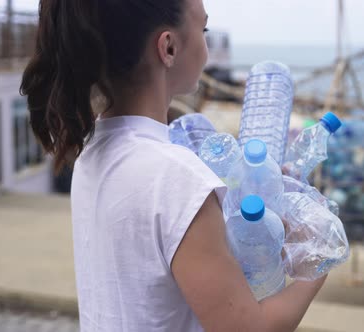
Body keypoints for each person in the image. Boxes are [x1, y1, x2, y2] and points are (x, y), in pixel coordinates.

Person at [20, 0, 327, 331]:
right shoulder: (176, 177)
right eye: (203, 29)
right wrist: (318, 259)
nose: (207, 44)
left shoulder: (93, 152)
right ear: (168, 47)